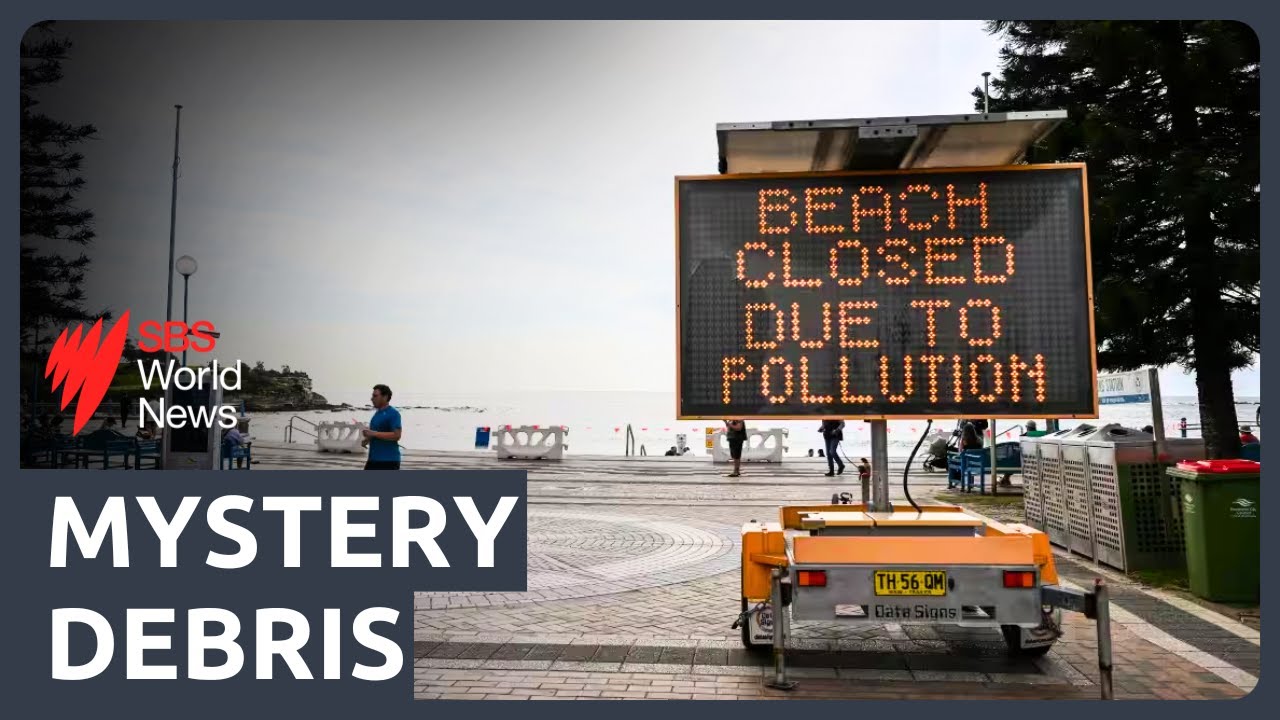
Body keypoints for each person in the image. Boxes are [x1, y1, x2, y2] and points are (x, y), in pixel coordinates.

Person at [361, 384, 403, 470]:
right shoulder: (377, 414)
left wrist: (374, 433)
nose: (372, 398)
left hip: (388, 461)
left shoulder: (393, 413)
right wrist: (367, 439)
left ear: (385, 397)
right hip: (373, 459)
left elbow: (397, 435)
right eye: (372, 396)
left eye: (375, 396)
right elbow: (377, 433)